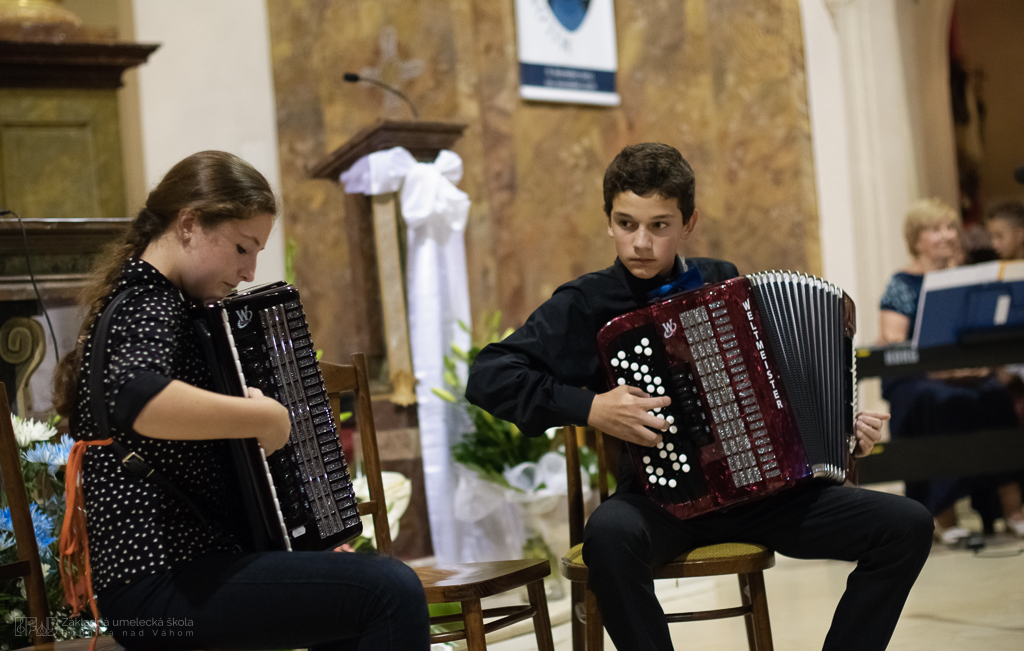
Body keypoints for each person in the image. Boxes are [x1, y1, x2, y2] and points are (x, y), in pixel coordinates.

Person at [466, 143, 934, 651]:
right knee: (609, 535)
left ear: (688, 222)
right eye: (626, 224)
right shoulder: (586, 304)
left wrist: (842, 431)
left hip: (764, 495)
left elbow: (777, 391)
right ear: (608, 221)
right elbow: (490, 375)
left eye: (659, 226)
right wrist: (593, 408)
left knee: (906, 524)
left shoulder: (722, 280)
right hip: (659, 503)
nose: (640, 242)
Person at [53, 151, 429, 651]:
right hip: (156, 586)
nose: (249, 271)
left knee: (352, 594)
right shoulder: (148, 301)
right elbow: (137, 399)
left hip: (188, 571)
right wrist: (265, 417)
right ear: (188, 224)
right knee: (389, 591)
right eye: (241, 248)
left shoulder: (171, 304)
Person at [879, 198, 1024, 542]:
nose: (946, 235)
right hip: (918, 379)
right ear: (916, 240)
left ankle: (1014, 511)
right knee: (937, 402)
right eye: (935, 229)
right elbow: (892, 338)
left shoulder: (967, 278)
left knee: (994, 395)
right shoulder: (902, 282)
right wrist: (939, 372)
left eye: (949, 228)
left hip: (964, 373)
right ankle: (944, 518)